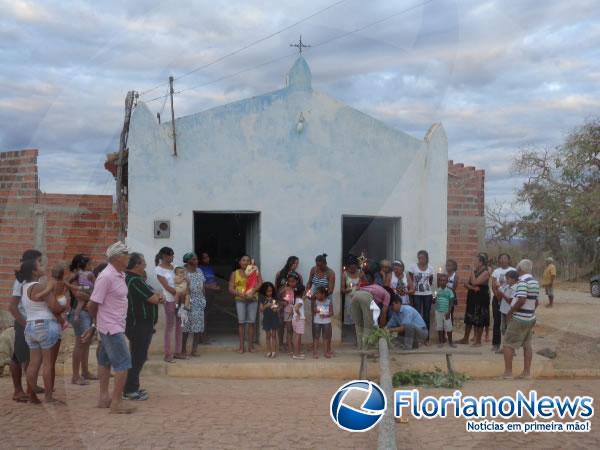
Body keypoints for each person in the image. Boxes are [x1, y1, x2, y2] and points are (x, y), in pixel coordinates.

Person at [84, 241, 135, 414]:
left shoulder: (119, 275)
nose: (129, 258)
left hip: (113, 325)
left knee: (104, 361)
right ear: (118, 258)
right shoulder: (106, 277)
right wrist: (96, 323)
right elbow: (92, 304)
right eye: (126, 255)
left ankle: (104, 398)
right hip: (111, 327)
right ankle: (116, 402)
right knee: (123, 363)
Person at [19, 259, 64, 404]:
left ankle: (33, 395)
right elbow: (55, 308)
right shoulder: (40, 286)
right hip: (45, 324)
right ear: (34, 271)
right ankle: (49, 397)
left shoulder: (24, 287)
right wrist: (63, 302)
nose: (43, 266)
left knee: (33, 363)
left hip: (30, 326)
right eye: (40, 265)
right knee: (47, 364)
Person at [124, 252, 164, 401]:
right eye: (143, 263)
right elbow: (153, 298)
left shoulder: (136, 279)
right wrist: (159, 297)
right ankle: (130, 390)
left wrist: (158, 296)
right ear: (137, 265)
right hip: (138, 324)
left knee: (138, 356)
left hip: (141, 324)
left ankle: (132, 387)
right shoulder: (134, 280)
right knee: (138, 356)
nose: (145, 265)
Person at [9, 249, 43, 403]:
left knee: (30, 357)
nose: (41, 264)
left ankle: (31, 388)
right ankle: (18, 390)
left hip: (29, 322)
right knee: (19, 357)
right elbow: (13, 307)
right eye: (39, 261)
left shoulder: (31, 280)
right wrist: (24, 324)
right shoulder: (20, 282)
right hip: (24, 322)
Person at [503, 259, 539, 379]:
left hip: (519, 318)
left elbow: (522, 299)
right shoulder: (534, 282)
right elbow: (536, 301)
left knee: (508, 344)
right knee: (527, 345)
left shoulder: (522, 282)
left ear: (520, 269)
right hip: (530, 317)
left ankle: (508, 373)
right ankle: (526, 372)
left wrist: (511, 311)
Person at [67, 254, 96, 385]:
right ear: (81, 266)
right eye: (89, 264)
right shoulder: (75, 277)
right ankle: (75, 375)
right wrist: (93, 298)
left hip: (87, 311)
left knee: (85, 343)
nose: (91, 267)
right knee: (80, 343)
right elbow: (77, 294)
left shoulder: (84, 276)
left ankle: (84, 372)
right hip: (79, 313)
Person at [228, 255, 262, 354]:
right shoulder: (235, 273)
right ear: (240, 262)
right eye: (243, 260)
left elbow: (260, 283)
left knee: (251, 323)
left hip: (253, 299)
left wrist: (253, 290)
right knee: (241, 323)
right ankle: (241, 347)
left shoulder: (255, 271)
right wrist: (240, 294)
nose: (246, 262)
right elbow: (230, 288)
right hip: (240, 299)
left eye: (248, 260)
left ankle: (250, 346)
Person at [155, 247, 183, 362]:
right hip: (169, 299)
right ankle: (167, 354)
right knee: (169, 327)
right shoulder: (158, 270)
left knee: (179, 326)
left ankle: (178, 352)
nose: (172, 257)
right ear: (164, 256)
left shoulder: (175, 267)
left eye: (173, 255)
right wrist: (178, 291)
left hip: (179, 298)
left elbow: (182, 279)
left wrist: (182, 292)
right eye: (170, 255)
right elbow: (166, 286)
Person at [458, 253, 490, 347]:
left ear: (481, 262)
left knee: (480, 319)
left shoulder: (485, 272)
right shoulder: (476, 271)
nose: (474, 262)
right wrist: (472, 287)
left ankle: (478, 341)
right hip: (472, 297)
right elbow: (466, 284)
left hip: (481, 298)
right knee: (469, 318)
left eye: (475, 261)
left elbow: (475, 282)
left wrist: (471, 272)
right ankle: (465, 338)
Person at [352, 268, 388, 350]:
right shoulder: (387, 294)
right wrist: (382, 328)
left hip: (355, 295)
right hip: (366, 296)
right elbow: (384, 312)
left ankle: (360, 347)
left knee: (358, 325)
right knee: (368, 326)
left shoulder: (372, 286)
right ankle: (365, 349)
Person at [181, 253, 207, 358]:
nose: (197, 261)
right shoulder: (183, 273)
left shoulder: (200, 271)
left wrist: (204, 299)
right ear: (188, 261)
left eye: (196, 259)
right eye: (194, 259)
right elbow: (182, 289)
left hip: (199, 302)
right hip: (188, 302)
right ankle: (183, 350)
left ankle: (194, 350)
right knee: (186, 328)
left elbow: (203, 286)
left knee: (198, 327)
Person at [274, 256, 303, 349]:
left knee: (291, 325)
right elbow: (276, 288)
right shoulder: (280, 274)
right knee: (281, 324)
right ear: (289, 263)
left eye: (297, 264)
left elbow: (301, 290)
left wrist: (296, 303)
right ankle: (281, 344)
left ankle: (290, 344)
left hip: (292, 304)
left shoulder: (298, 276)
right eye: (295, 263)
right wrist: (278, 301)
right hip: (281, 302)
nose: (296, 265)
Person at [408, 250, 434, 344]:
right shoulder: (413, 267)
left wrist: (426, 288)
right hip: (416, 294)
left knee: (427, 316)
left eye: (422, 258)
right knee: (417, 315)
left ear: (426, 258)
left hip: (427, 294)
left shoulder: (430, 268)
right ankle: (417, 338)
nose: (420, 260)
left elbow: (430, 281)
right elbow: (409, 279)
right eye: (419, 258)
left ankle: (426, 338)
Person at [490, 254, 515, 352]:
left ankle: (508, 345)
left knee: (508, 322)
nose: (503, 260)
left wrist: (504, 297)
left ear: (509, 260)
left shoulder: (513, 270)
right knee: (497, 321)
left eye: (505, 259)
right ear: (499, 260)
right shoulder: (496, 271)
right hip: (497, 298)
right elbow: (493, 285)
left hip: (509, 299)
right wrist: (498, 297)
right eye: (501, 258)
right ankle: (496, 344)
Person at [306, 254, 335, 336]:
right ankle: (315, 343)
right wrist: (308, 292)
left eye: (320, 265)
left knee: (326, 320)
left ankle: (328, 345)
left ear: (325, 264)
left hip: (326, 299)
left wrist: (320, 296)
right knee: (315, 319)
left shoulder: (330, 273)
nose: (318, 267)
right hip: (315, 298)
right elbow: (309, 283)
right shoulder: (313, 270)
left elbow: (330, 290)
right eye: (317, 265)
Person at [198, 252, 220, 344]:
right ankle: (202, 338)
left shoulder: (210, 267)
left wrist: (216, 287)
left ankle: (205, 336)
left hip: (211, 294)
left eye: (208, 257)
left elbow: (213, 279)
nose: (207, 259)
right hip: (203, 294)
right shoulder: (199, 269)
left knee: (206, 316)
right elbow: (200, 284)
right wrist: (212, 287)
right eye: (204, 257)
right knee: (203, 316)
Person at [341, 256, 365, 335]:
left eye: (354, 268)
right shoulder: (344, 274)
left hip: (359, 298)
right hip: (349, 299)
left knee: (359, 316)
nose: (352, 270)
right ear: (348, 266)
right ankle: (353, 335)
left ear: (356, 266)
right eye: (350, 268)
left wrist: (362, 279)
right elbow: (342, 289)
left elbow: (366, 285)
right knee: (351, 316)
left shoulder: (360, 272)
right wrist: (349, 289)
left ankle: (359, 335)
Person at [279, 271, 300, 355]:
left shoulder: (297, 290)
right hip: (287, 312)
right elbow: (278, 298)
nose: (291, 283)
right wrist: (283, 302)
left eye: (293, 281)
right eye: (290, 281)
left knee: (294, 330)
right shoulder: (285, 289)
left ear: (297, 281)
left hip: (296, 312)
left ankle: (294, 346)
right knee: (289, 329)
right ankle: (289, 348)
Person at [258, 282, 280, 358]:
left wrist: (275, 309)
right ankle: (268, 351)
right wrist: (266, 305)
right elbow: (261, 309)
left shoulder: (274, 298)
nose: (269, 293)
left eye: (271, 291)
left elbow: (277, 309)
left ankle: (273, 351)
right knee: (268, 336)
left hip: (274, 318)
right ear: (264, 291)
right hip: (266, 319)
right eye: (268, 291)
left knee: (274, 335)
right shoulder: (262, 298)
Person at [434, 273, 455, 347]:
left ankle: (450, 342)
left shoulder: (449, 291)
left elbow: (451, 302)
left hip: (446, 312)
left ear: (447, 282)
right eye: (441, 280)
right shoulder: (437, 291)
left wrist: (449, 312)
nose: (442, 282)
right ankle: (441, 342)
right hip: (438, 311)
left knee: (449, 327)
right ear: (439, 281)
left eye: (444, 280)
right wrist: (434, 299)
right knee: (439, 327)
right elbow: (435, 300)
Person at [312, 286, 333, 359]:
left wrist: (326, 315)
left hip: (326, 322)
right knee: (316, 337)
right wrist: (316, 310)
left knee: (326, 337)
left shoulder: (329, 301)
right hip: (317, 321)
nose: (316, 295)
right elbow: (313, 310)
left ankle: (326, 352)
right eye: (316, 294)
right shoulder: (315, 301)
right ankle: (315, 352)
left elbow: (331, 313)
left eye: (318, 294)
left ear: (323, 294)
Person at [292, 291, 306, 360]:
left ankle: (297, 352)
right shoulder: (300, 300)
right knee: (298, 337)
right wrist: (299, 314)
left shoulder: (296, 299)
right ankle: (296, 354)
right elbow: (296, 308)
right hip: (299, 320)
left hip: (294, 319)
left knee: (295, 336)